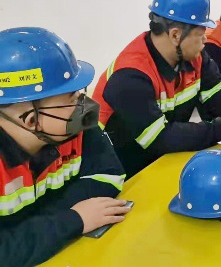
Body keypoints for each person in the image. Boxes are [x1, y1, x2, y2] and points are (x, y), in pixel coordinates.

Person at [93, 0, 221, 178]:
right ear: (175, 35)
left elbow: (217, 88)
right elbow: (159, 138)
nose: (205, 39)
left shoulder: (193, 55)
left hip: (164, 160)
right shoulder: (130, 76)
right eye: (200, 33)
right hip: (126, 174)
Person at [0, 27, 129, 266]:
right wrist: (73, 219)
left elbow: (110, 176)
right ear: (31, 120)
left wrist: (29, 228)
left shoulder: (72, 129)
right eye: (72, 99)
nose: (84, 105)